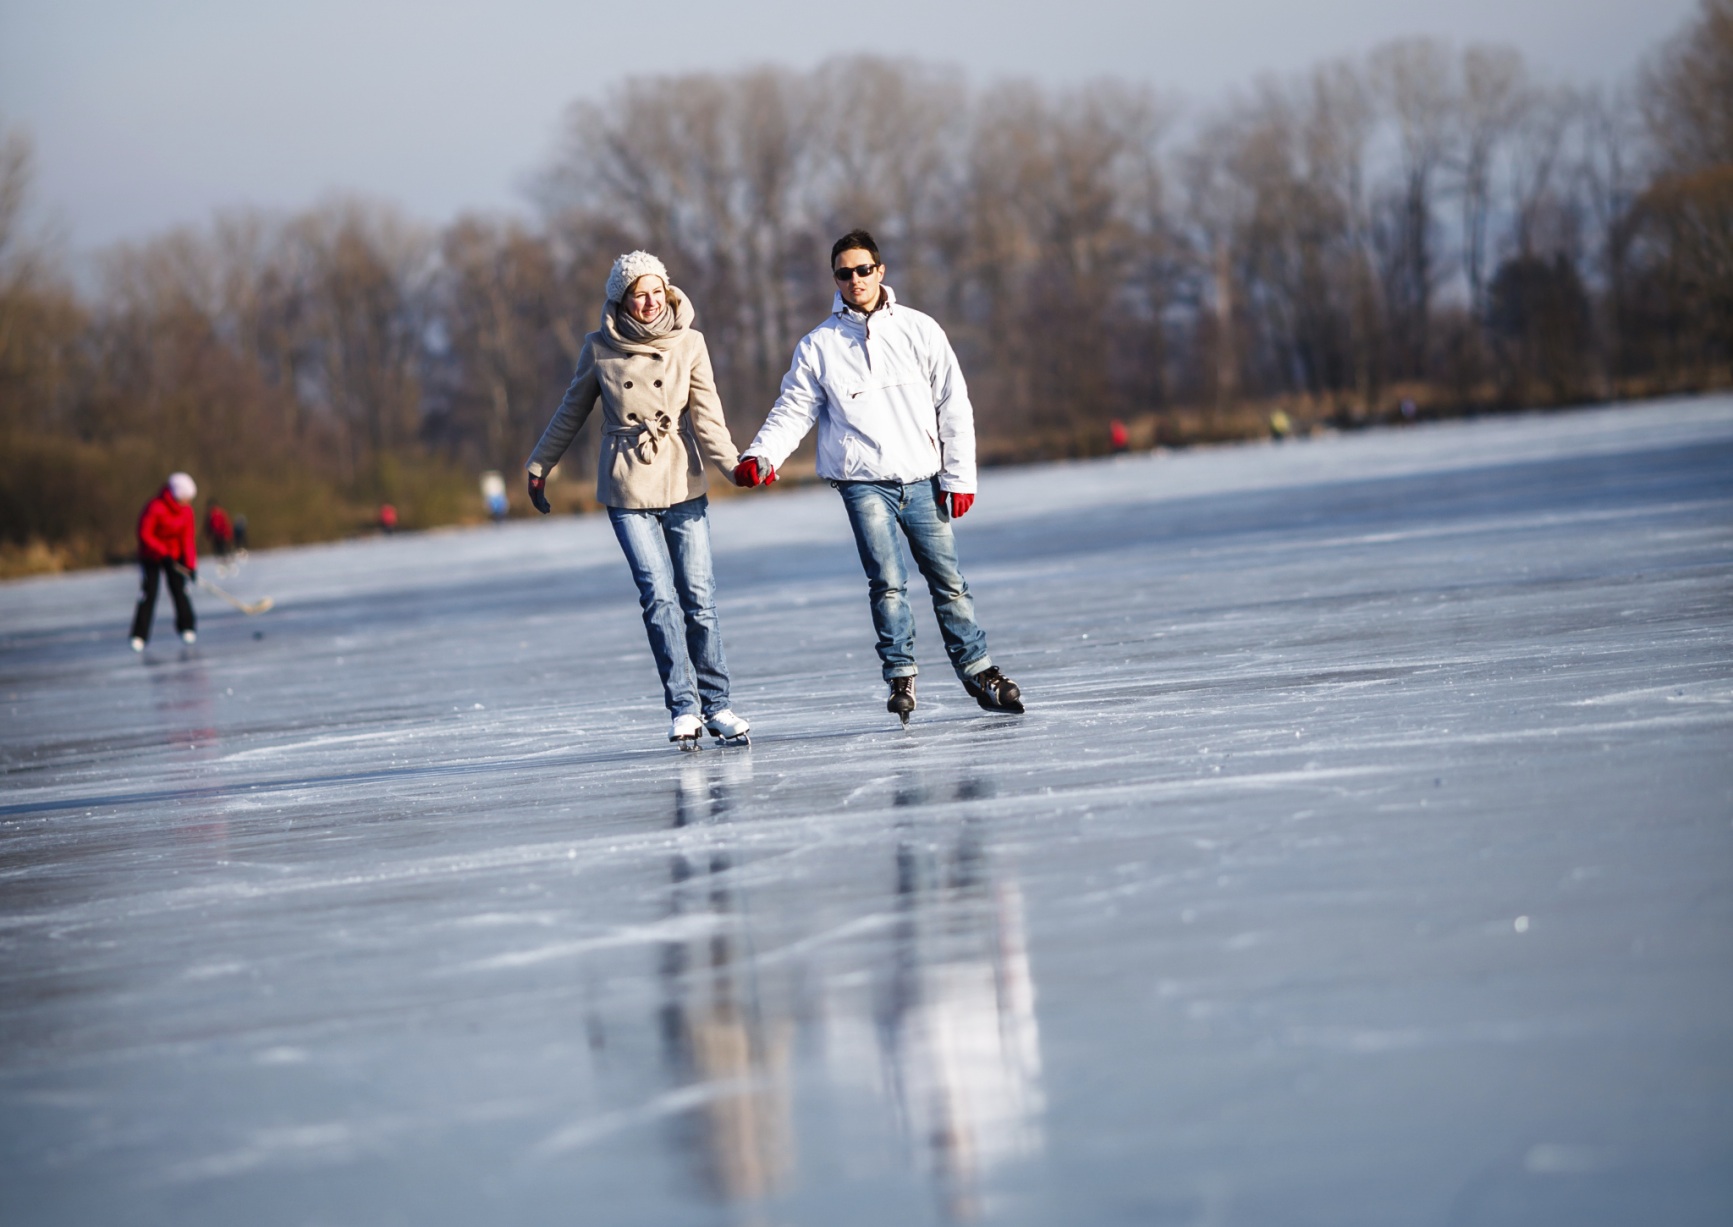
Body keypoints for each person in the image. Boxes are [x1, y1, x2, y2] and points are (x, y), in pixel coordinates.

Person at [734, 229, 1023, 723]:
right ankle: (901, 675)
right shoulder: (819, 345)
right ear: (835, 279)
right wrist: (762, 456)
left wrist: (960, 478)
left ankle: (979, 670)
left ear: (880, 271)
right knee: (887, 581)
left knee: (948, 581)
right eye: (844, 273)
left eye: (863, 269)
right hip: (862, 481)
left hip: (922, 477)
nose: (855, 280)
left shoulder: (919, 329)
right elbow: (794, 409)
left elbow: (954, 404)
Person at [525, 250, 752, 748]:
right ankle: (684, 708)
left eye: (655, 292)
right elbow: (570, 412)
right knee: (658, 597)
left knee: (700, 598)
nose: (648, 302)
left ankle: (718, 705)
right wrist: (540, 465)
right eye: (637, 294)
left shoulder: (690, 343)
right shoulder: (598, 348)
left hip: (682, 480)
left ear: (666, 292)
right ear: (621, 299)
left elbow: (708, 416)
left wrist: (735, 467)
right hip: (627, 484)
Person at [130, 472, 199, 650]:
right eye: (186, 497)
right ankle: (139, 635)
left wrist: (190, 566)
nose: (188, 502)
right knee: (149, 593)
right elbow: (144, 534)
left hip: (174, 556)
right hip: (151, 556)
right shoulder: (155, 507)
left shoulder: (187, 512)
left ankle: (187, 627)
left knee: (180, 589)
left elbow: (188, 539)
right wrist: (162, 553)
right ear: (177, 495)